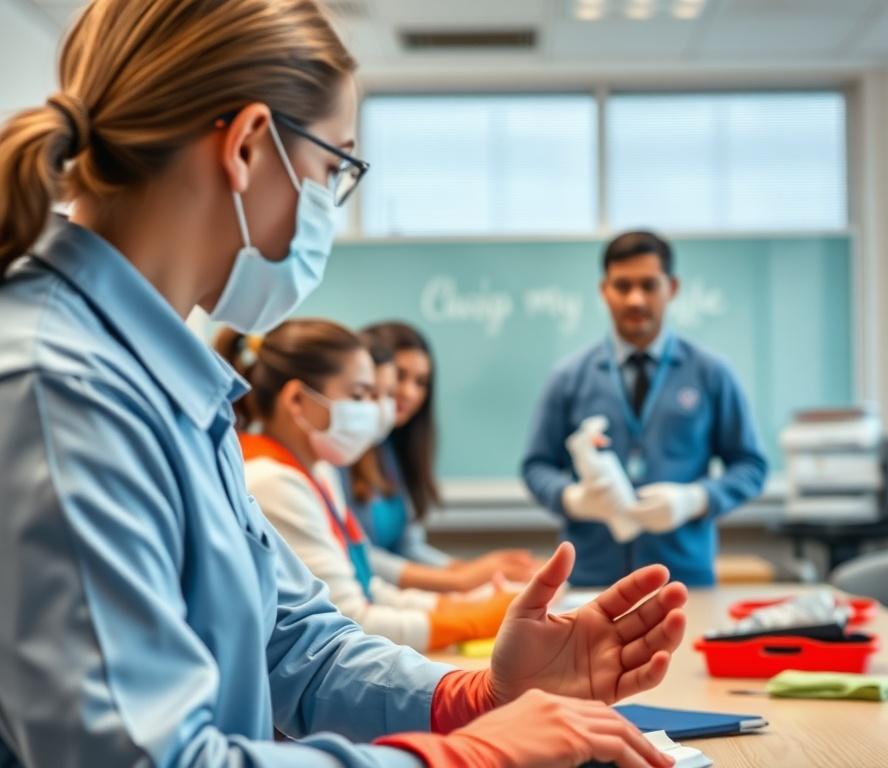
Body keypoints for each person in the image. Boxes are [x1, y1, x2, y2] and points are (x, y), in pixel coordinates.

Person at [0, 1, 688, 765]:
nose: (330, 198)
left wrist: (476, 700)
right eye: (334, 169)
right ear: (249, 144)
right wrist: (465, 757)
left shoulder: (170, 383)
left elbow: (294, 643)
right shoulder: (58, 390)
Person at [216, 320, 514, 652]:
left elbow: (366, 586)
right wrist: (474, 618)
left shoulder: (317, 470)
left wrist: (466, 606)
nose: (373, 411)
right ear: (298, 401)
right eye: (359, 395)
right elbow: (351, 619)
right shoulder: (273, 482)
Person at [522, 230, 768, 588]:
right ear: (604, 290)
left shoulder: (711, 373)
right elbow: (536, 465)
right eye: (622, 286)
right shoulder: (568, 377)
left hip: (683, 578)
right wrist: (572, 499)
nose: (636, 299)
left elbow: (751, 466)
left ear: (672, 288)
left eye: (649, 285)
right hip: (591, 579)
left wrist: (695, 499)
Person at [344, 321, 539, 591]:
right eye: (399, 377)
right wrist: (461, 579)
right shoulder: (337, 454)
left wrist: (479, 570)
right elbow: (353, 556)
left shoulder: (391, 451)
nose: (409, 393)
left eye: (421, 382)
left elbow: (408, 547)